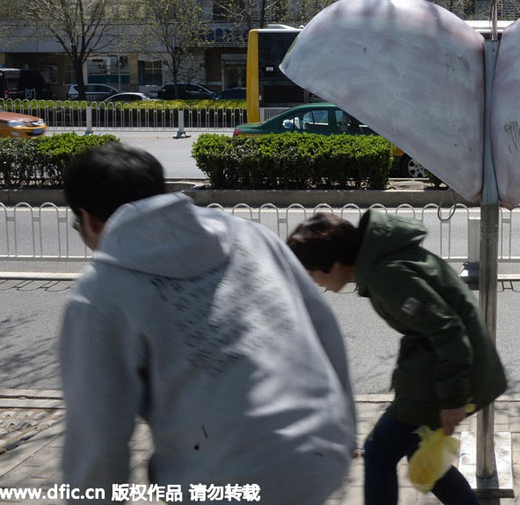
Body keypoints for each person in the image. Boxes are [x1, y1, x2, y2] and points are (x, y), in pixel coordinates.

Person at [61, 142, 356, 504]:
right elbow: (323, 329)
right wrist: (347, 432)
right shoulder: (249, 235)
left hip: (230, 481)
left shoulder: (99, 293)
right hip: (320, 451)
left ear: (90, 220)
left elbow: (96, 445)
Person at [287, 209, 508, 505]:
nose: (316, 283)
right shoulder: (381, 263)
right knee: (420, 453)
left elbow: (447, 331)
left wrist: (453, 399)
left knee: (379, 452)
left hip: (450, 374)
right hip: (446, 369)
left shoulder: (386, 275)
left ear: (333, 263)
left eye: (312, 274)